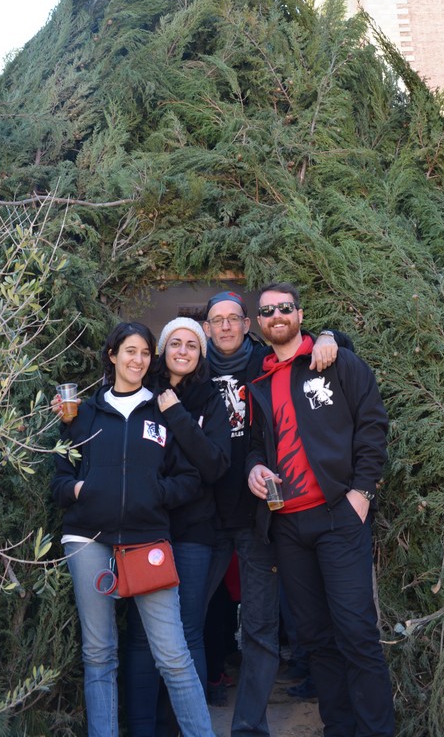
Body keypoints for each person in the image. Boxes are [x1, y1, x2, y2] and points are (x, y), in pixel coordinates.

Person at [50, 321, 218, 737]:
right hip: (88, 538)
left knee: (173, 655)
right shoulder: (83, 414)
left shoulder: (164, 410)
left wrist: (153, 493)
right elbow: (59, 480)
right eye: (129, 351)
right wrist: (83, 488)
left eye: (145, 352)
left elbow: (190, 479)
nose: (138, 360)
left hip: (147, 540)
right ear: (112, 356)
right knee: (99, 654)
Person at [246, 283, 395, 737]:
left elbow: (372, 426)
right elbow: (256, 444)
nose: (277, 316)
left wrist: (361, 494)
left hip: (338, 517)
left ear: (300, 314)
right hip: (287, 526)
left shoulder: (335, 362)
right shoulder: (259, 380)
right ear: (259, 323)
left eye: (285, 308)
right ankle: (339, 729)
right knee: (315, 639)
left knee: (356, 633)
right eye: (268, 311)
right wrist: (254, 467)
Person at [202, 289, 341, 737]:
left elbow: (309, 346)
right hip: (201, 520)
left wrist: (329, 335)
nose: (226, 326)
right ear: (206, 328)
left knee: (260, 630)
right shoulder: (191, 367)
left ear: (248, 325)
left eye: (234, 318)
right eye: (217, 319)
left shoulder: (265, 363)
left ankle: (248, 728)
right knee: (184, 623)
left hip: (255, 517)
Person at [125, 317, 230, 737]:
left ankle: (186, 728)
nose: (183, 350)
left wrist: (178, 414)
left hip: (193, 532)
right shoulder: (142, 392)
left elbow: (215, 466)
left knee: (187, 631)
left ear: (201, 354)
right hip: (144, 528)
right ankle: (144, 728)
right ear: (163, 350)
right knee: (141, 634)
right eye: (175, 343)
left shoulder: (209, 399)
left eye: (191, 345)